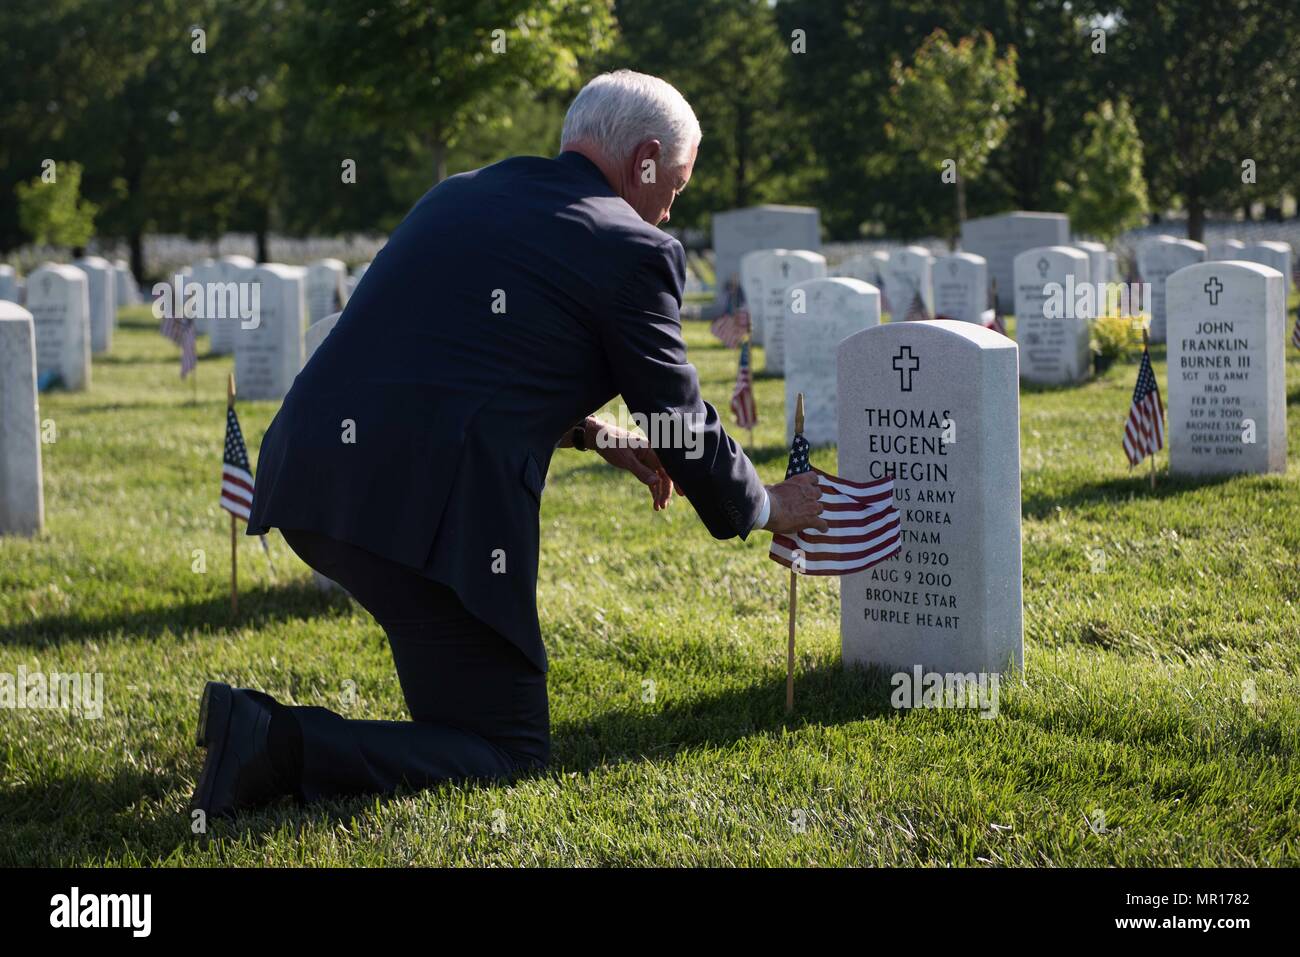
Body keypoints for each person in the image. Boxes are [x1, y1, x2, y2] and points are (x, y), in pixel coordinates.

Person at [189, 70, 827, 819]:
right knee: (506, 749)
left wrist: (594, 433)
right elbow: (676, 408)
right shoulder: (633, 247)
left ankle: (272, 736)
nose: (669, 205)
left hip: (310, 478)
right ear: (647, 157)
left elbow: (460, 357)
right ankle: (273, 738)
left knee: (465, 721)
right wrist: (768, 505)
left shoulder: (458, 194)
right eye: (677, 185)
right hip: (416, 512)